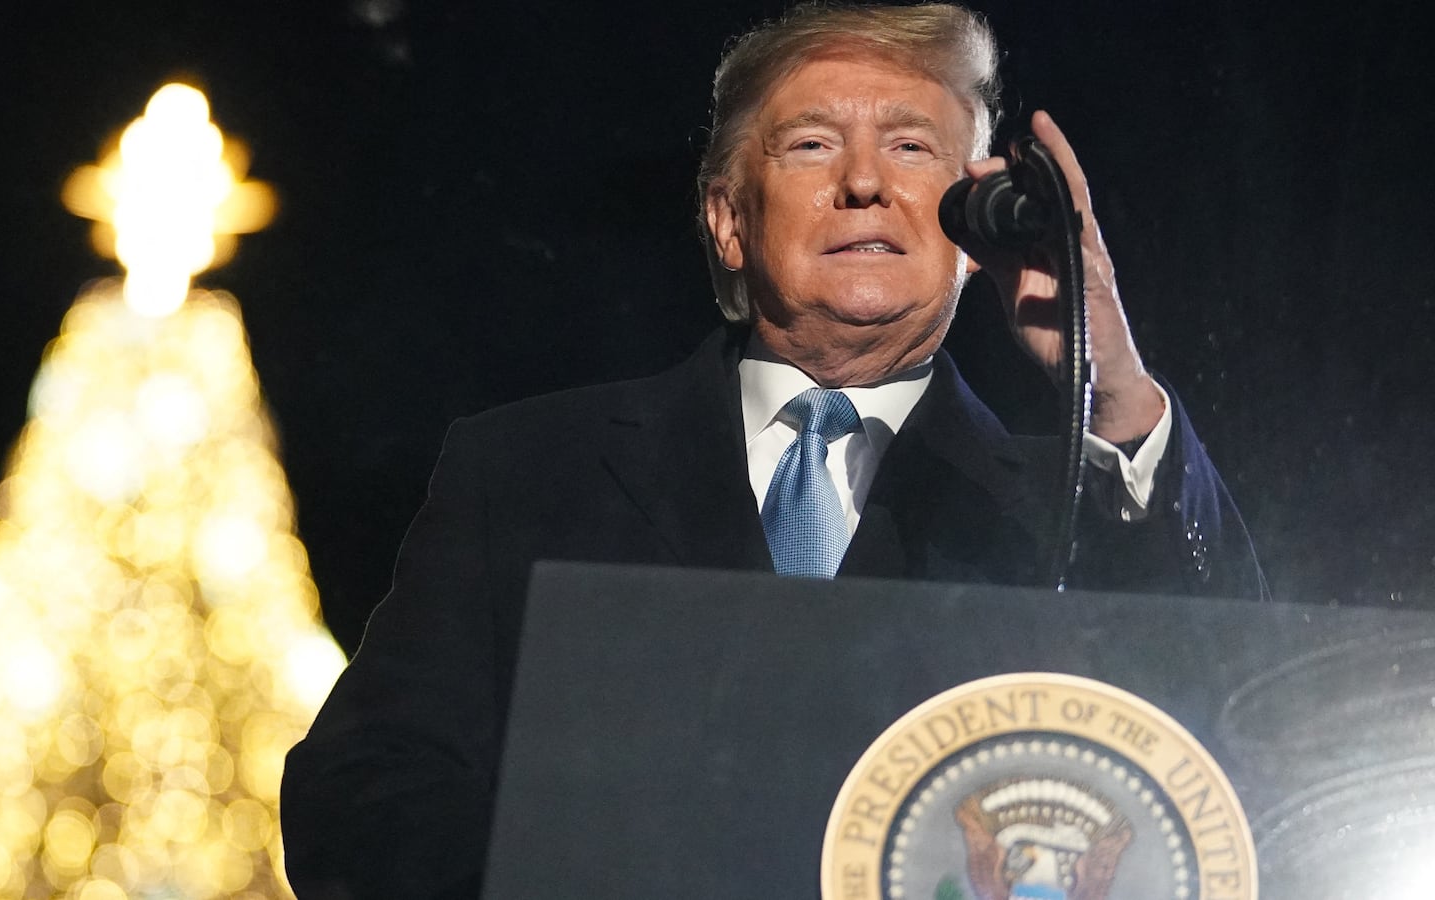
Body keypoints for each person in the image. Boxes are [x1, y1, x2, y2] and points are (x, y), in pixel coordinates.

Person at [280, 4, 1265, 897]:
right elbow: (360, 801)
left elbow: (1247, 723)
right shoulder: (525, 473)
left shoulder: (1061, 509)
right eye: (810, 144)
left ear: (972, 227)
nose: (865, 182)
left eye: (913, 147)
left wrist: (1116, 385)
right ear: (728, 218)